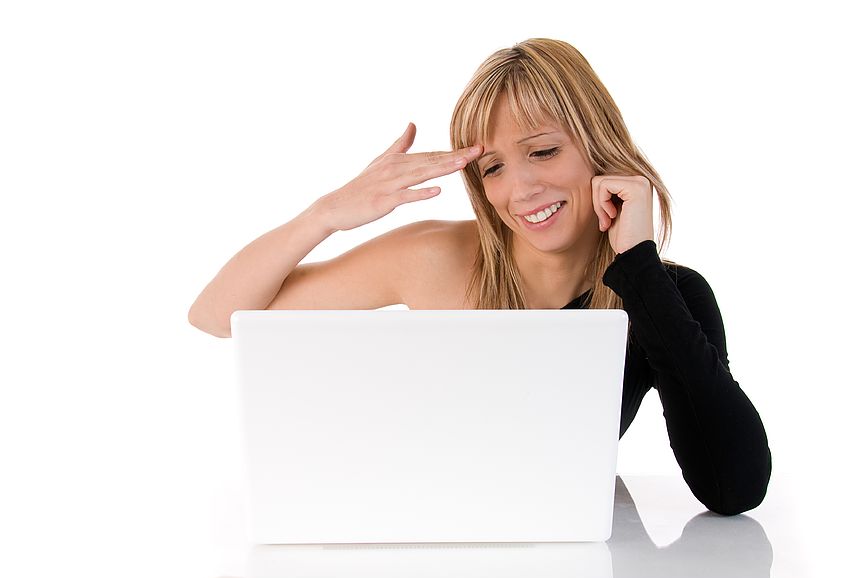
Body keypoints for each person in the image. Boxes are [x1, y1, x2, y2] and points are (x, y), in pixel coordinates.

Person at [189, 38, 771, 516]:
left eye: (542, 152)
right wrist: (326, 214)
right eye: (493, 167)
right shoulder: (437, 258)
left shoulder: (665, 295)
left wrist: (639, 266)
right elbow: (218, 316)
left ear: (599, 147)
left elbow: (732, 490)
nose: (520, 191)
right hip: (417, 541)